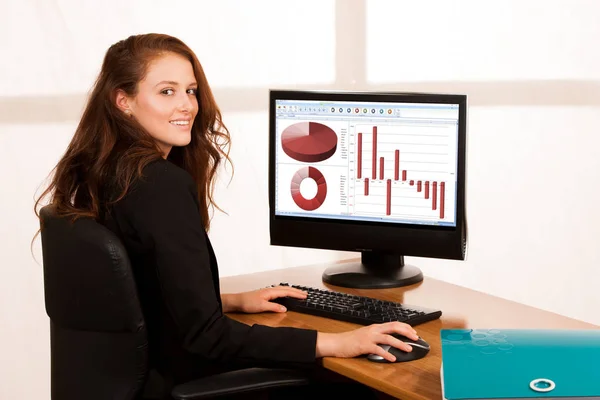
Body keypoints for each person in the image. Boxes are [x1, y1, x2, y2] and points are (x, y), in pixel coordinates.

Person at [34, 33, 420, 398]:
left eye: (190, 91)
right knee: (361, 385)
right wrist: (338, 341)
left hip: (136, 377)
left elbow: (133, 296)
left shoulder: (102, 172)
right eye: (166, 92)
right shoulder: (159, 185)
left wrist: (228, 301)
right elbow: (208, 338)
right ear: (124, 101)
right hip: (172, 376)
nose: (186, 105)